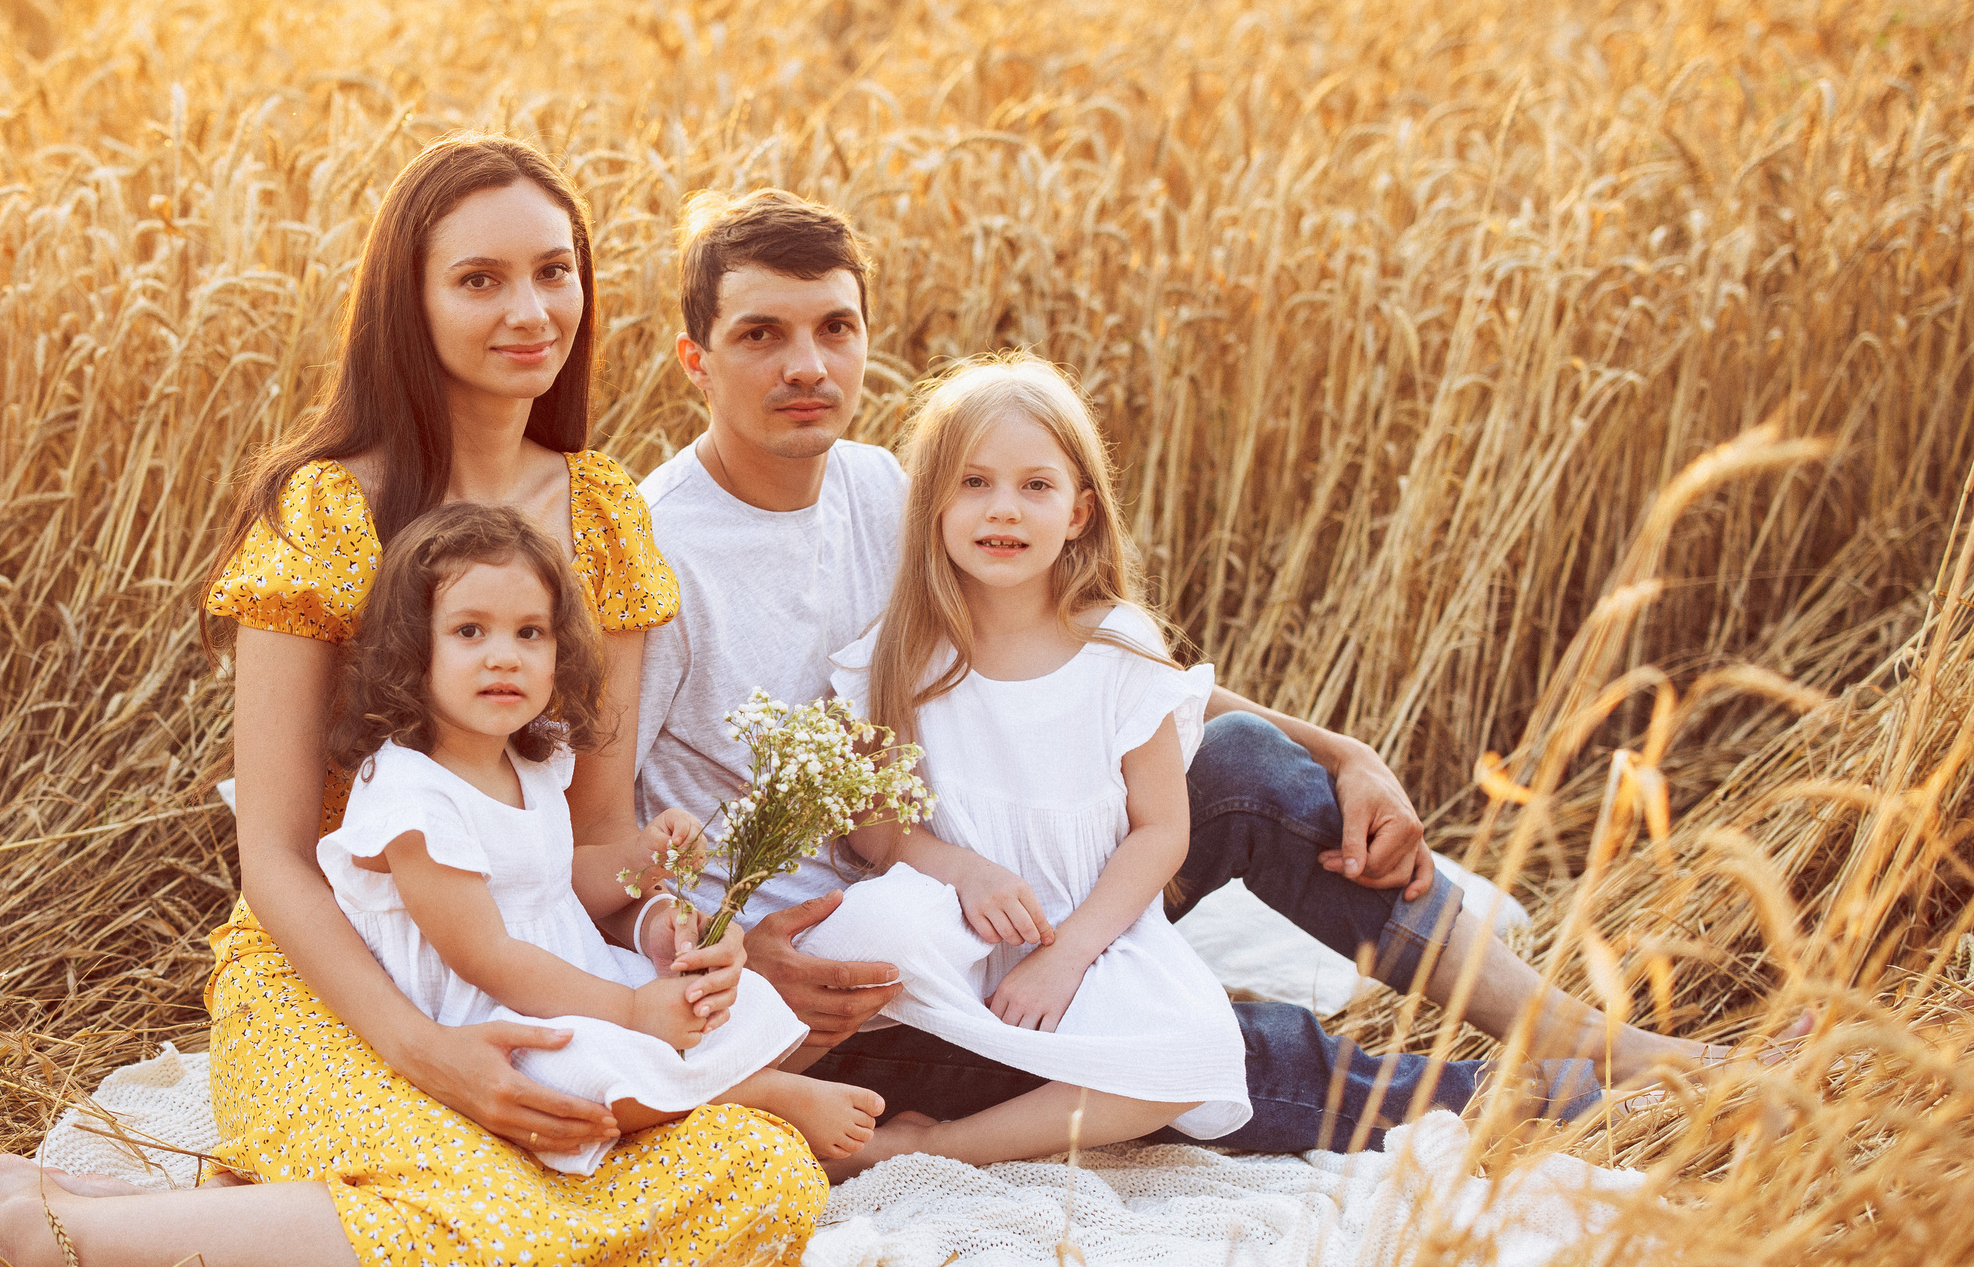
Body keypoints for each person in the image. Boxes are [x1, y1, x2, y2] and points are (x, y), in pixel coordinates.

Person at [0, 135, 827, 1267]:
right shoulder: (331, 510)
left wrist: (672, 927)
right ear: (412, 298)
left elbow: (591, 842)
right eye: (480, 279)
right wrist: (418, 1048)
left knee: (767, 1182)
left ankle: (125, 1211)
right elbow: (278, 855)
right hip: (335, 980)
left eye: (555, 272)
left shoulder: (601, 517)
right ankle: (29, 1227)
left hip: (537, 971)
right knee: (461, 1248)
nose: (530, 310)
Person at [619, 188, 1741, 1154]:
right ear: (695, 359)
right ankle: (1520, 1102)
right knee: (1203, 1047)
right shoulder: (655, 554)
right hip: (857, 981)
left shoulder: (889, 488)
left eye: (834, 327)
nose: (806, 365)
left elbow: (1079, 658)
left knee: (1248, 764)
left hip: (1004, 880)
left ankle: (1574, 1035)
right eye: (761, 335)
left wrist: (1338, 749)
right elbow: (599, 837)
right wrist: (728, 960)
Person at [319, 500, 884, 1169]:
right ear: (412, 651)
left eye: (530, 633)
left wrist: (640, 862)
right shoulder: (413, 798)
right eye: (470, 631)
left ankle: (703, 1086)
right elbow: (488, 957)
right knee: (580, 1071)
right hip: (486, 1016)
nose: (505, 657)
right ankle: (755, 1094)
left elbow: (552, 886)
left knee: (740, 996)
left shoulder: (528, 762)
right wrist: (631, 1009)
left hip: (566, 975)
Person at [802, 354, 1251, 1171]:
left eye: (1035, 487)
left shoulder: (1119, 649)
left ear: (1080, 512)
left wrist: (1069, 953)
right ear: (930, 504)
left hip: (1086, 927)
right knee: (863, 930)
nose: (1002, 510)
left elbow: (1159, 832)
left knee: (1194, 1052)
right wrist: (965, 873)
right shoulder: (898, 654)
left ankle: (936, 1145)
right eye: (973, 483)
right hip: (956, 917)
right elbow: (874, 829)